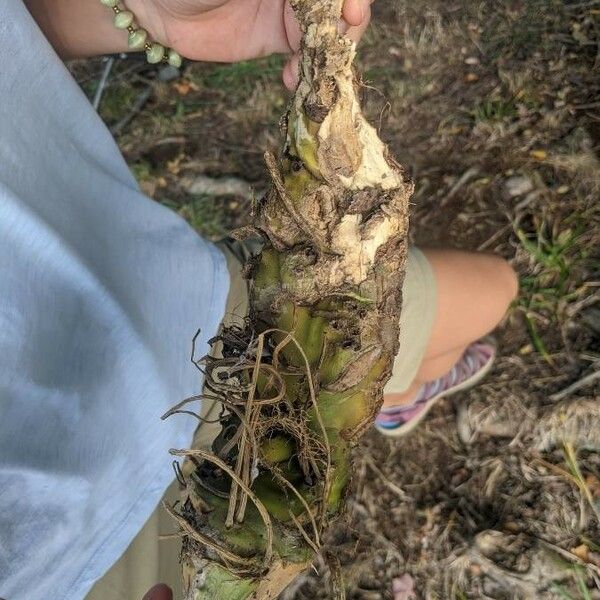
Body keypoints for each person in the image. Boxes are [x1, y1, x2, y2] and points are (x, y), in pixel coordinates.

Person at [0, 1, 517, 599]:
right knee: (481, 303)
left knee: (491, 291)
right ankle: (404, 393)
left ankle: (400, 395)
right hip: (92, 565)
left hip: (203, 316)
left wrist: (139, 10)